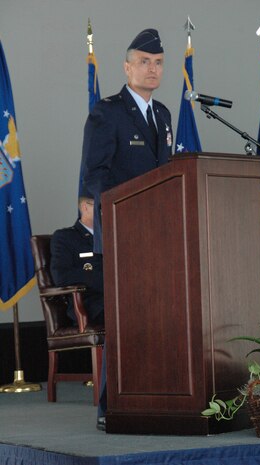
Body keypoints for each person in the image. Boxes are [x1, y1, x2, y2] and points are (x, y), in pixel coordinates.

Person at [81, 28, 173, 431]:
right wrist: (123, 212)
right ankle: (110, 405)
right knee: (127, 321)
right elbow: (94, 176)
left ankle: (157, 397)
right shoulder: (108, 112)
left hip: (164, 235)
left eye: (158, 63)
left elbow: (168, 174)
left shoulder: (165, 114)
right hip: (124, 235)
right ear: (127, 67)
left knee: (161, 317)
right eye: (144, 62)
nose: (151, 69)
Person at [50, 190, 104, 326]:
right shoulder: (66, 237)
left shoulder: (114, 233)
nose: (106, 210)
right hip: (92, 304)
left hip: (120, 297)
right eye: (101, 206)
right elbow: (61, 276)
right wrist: (101, 279)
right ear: (85, 207)